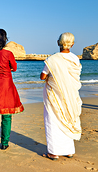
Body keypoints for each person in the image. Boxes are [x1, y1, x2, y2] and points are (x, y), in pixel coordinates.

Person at [40, 32, 82, 160]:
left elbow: (43, 76)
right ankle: (68, 151)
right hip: (70, 95)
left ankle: (53, 152)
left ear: (58, 42)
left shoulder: (53, 59)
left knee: (52, 120)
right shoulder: (75, 59)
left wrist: (51, 76)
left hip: (54, 95)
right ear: (72, 44)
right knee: (68, 118)